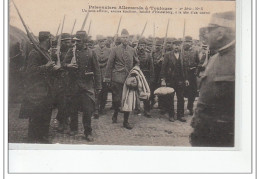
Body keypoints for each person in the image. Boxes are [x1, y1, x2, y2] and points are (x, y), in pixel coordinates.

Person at [190, 11, 236, 147]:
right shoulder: (214, 57)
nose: (206, 35)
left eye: (209, 30)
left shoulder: (245, 59)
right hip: (203, 134)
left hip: (223, 139)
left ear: (220, 33)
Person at [63, 30, 102, 141]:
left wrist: (98, 86)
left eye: (79, 41)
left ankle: (88, 132)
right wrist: (69, 65)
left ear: (84, 41)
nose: (76, 43)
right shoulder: (72, 51)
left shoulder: (91, 53)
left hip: (87, 86)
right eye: (75, 41)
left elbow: (97, 70)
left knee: (87, 110)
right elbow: (63, 64)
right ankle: (73, 128)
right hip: (74, 85)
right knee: (73, 108)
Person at [19, 31, 56, 143]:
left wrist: (54, 69)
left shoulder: (46, 53)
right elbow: (30, 72)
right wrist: (46, 66)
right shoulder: (34, 53)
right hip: (37, 90)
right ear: (46, 40)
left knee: (46, 114)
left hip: (47, 88)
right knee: (36, 115)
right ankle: (32, 139)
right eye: (50, 39)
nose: (52, 41)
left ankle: (43, 136)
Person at [104, 29, 139, 129]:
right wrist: (107, 78)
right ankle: (115, 112)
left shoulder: (132, 50)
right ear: (120, 38)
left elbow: (137, 62)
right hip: (117, 78)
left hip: (129, 79)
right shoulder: (115, 49)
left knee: (128, 99)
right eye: (123, 37)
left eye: (127, 37)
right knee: (117, 100)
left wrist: (135, 71)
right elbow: (110, 64)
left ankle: (125, 121)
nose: (125, 39)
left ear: (129, 38)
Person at [160, 39, 189, 122]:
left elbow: (185, 68)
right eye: (175, 45)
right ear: (173, 46)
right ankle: (171, 115)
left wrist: (186, 79)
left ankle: (181, 115)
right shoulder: (168, 55)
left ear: (180, 46)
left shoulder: (183, 56)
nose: (177, 46)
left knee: (181, 98)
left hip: (180, 80)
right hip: (170, 80)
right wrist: (163, 79)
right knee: (170, 98)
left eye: (178, 45)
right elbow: (163, 68)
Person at [52, 33, 72, 133]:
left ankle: (65, 121)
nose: (69, 44)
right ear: (62, 42)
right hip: (59, 81)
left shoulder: (72, 52)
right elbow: (52, 66)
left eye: (70, 42)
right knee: (61, 102)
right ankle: (61, 122)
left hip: (69, 80)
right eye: (67, 42)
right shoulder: (56, 53)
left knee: (68, 102)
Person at [93, 36, 111, 117]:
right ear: (98, 42)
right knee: (97, 91)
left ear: (105, 42)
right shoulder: (94, 51)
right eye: (100, 41)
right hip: (97, 73)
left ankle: (102, 107)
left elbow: (110, 63)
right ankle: (96, 109)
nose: (102, 43)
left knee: (105, 91)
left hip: (105, 73)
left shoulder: (109, 51)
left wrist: (109, 75)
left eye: (103, 41)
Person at [136, 38, 154, 118]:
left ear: (145, 46)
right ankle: (136, 108)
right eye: (140, 45)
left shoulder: (148, 55)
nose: (142, 47)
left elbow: (151, 67)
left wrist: (151, 78)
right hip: (137, 74)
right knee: (136, 91)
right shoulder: (135, 54)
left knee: (146, 93)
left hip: (146, 75)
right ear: (138, 46)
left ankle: (147, 109)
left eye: (143, 45)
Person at [183, 36, 200, 115]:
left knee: (192, 92)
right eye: (186, 41)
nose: (188, 43)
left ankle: (190, 107)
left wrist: (195, 69)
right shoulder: (181, 51)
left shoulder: (195, 51)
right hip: (183, 73)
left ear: (191, 43)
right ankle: (181, 108)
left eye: (189, 42)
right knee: (182, 91)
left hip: (192, 74)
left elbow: (198, 62)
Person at [150, 39, 164, 109]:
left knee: (160, 89)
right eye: (156, 45)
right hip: (153, 73)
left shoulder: (163, 53)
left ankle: (161, 104)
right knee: (152, 89)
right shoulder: (153, 53)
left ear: (161, 46)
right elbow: (151, 62)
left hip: (160, 73)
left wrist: (162, 60)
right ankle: (152, 102)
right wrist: (157, 61)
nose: (157, 47)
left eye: (159, 45)